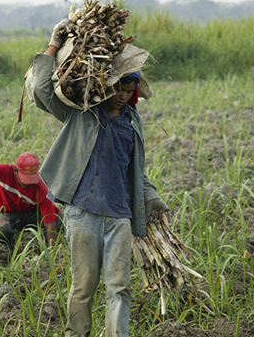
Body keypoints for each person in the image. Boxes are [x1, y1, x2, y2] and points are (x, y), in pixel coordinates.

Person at [30, 20, 169, 337]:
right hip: (83, 212)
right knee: (83, 287)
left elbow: (134, 169)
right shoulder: (82, 112)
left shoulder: (132, 122)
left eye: (129, 87)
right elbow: (40, 89)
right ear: (105, 84)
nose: (123, 94)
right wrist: (54, 42)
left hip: (120, 215)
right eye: (118, 86)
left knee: (119, 287)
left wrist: (152, 199)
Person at [0, 140, 59, 247]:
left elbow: (50, 224)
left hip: (30, 215)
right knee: (1, 229)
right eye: (25, 179)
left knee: (59, 220)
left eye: (31, 179)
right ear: (16, 171)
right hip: (4, 213)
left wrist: (51, 251)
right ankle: (8, 248)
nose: (28, 184)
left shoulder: (41, 189)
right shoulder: (3, 172)